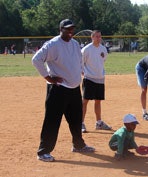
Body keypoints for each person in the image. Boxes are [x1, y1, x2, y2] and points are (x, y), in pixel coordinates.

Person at [32, 19, 95, 162]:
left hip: (74, 89)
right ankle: (43, 152)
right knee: (52, 121)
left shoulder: (74, 43)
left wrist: (80, 72)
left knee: (76, 120)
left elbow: (78, 61)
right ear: (61, 29)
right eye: (67, 29)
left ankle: (78, 145)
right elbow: (36, 59)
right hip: (58, 89)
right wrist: (49, 78)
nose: (70, 31)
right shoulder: (53, 44)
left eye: (72, 28)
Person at [81, 30, 112, 133]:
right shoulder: (86, 49)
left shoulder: (103, 49)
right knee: (85, 101)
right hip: (89, 78)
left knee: (98, 101)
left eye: (100, 36)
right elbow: (81, 63)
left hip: (100, 78)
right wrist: (83, 72)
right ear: (92, 37)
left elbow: (103, 61)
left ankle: (99, 123)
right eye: (97, 36)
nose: (99, 38)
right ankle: (81, 123)